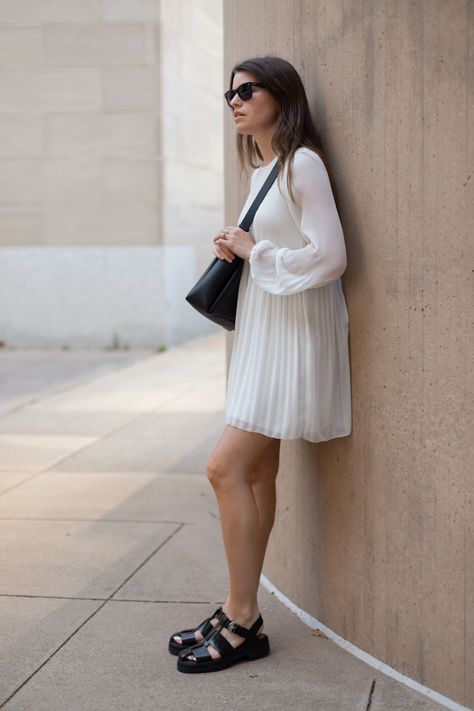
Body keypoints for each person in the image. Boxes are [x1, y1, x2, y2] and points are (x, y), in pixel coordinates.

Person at [169, 55, 352, 674]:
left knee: (224, 468)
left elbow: (331, 258)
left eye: (247, 91)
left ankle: (244, 618)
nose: (235, 102)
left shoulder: (303, 162)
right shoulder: (263, 170)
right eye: (230, 94)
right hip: (264, 330)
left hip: (294, 335)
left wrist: (260, 251)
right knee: (257, 474)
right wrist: (240, 248)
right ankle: (237, 607)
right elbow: (272, 247)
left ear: (281, 95)